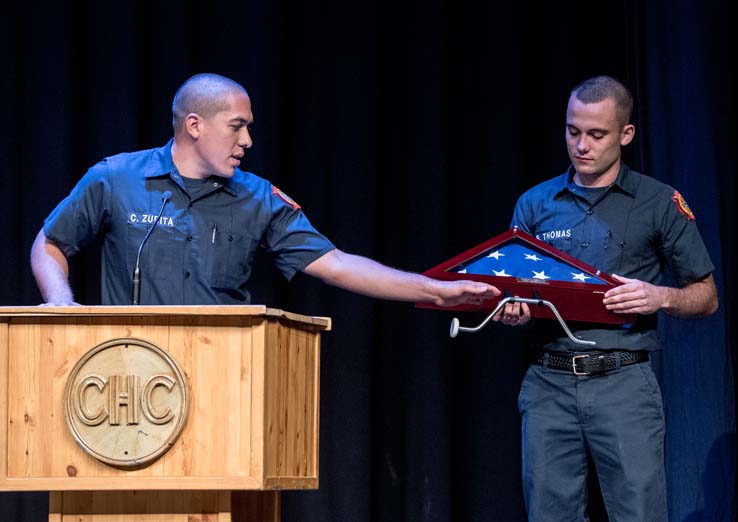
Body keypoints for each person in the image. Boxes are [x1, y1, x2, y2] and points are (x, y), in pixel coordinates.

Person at [30, 73, 499, 309]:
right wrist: (59, 299)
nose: (248, 141)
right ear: (194, 125)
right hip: (131, 378)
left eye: (249, 128)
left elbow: (336, 264)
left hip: (225, 373)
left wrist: (433, 291)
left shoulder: (258, 199)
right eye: (237, 127)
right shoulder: (116, 178)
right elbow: (51, 242)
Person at [494, 76, 718, 521]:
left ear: (625, 134)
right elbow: (514, 292)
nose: (582, 145)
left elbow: (706, 296)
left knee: (639, 514)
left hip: (624, 384)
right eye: (573, 131)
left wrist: (659, 296)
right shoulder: (536, 203)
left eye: (596, 134)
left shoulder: (658, 201)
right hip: (549, 382)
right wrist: (511, 310)